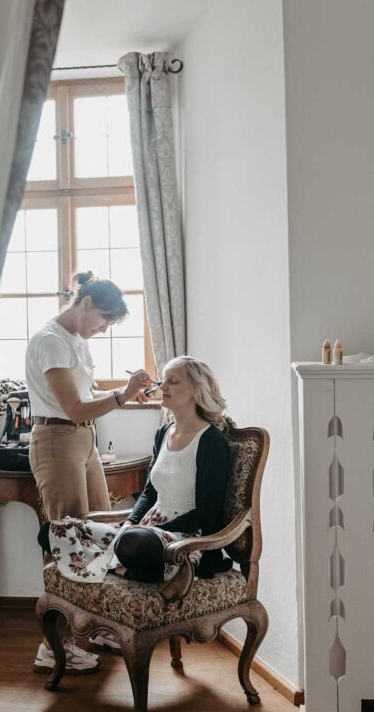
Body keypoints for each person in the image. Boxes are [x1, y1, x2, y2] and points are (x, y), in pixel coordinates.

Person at [26, 270, 152, 674]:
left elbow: (86, 398)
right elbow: (75, 408)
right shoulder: (50, 340)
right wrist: (121, 395)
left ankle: (93, 626)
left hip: (83, 440)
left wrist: (126, 396)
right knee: (66, 534)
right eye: (104, 319)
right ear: (85, 303)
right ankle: (55, 645)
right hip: (57, 439)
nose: (103, 328)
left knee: (99, 530)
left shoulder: (76, 341)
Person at [38, 355, 233, 594]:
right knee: (51, 531)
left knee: (133, 543)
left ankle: (120, 561)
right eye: (163, 380)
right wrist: (129, 523)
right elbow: (150, 492)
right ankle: (128, 566)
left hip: (185, 538)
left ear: (196, 389)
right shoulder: (164, 433)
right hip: (144, 529)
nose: (162, 387)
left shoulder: (212, 441)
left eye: (173, 382)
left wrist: (148, 530)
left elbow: (208, 512)